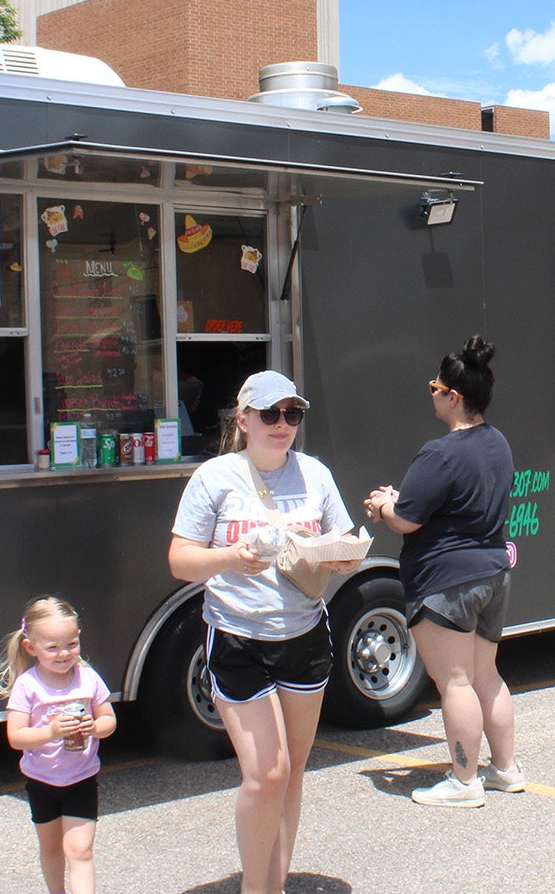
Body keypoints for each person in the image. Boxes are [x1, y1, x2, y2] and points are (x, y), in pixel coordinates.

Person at [168, 369, 359, 894]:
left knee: (292, 772)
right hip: (236, 638)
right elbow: (180, 561)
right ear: (244, 418)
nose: (281, 425)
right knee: (266, 774)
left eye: (292, 414)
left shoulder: (315, 475)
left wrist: (340, 556)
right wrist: (231, 557)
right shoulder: (214, 477)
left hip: (303, 636)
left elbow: (340, 538)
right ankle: (258, 888)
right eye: (270, 414)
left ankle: (274, 882)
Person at [364, 335, 522, 809]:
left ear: (453, 396)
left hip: (446, 582)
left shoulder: (440, 453)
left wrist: (383, 506)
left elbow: (408, 518)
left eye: (434, 387)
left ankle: (463, 781)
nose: (430, 393)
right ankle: (505, 770)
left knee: (454, 681)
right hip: (493, 573)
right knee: (486, 676)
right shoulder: (497, 442)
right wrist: (403, 503)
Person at [0, 596, 118, 894]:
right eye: (52, 647)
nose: (64, 654)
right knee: (51, 849)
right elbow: (16, 736)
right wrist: (51, 732)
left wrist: (95, 728)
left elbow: (110, 720)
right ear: (31, 648)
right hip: (42, 780)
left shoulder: (88, 679)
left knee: (80, 850)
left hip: (81, 779)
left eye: (71, 644)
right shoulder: (28, 685)